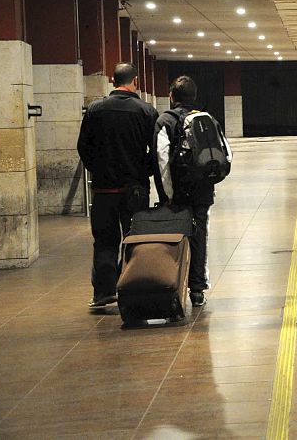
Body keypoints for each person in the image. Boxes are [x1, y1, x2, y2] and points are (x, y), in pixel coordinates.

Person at [77, 62, 158, 309]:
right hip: (135, 189)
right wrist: (144, 171)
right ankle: (131, 289)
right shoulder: (146, 111)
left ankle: (104, 292)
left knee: (104, 240)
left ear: (113, 81)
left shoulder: (95, 110)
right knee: (134, 239)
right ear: (135, 82)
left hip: (104, 190)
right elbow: (156, 151)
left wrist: (98, 169)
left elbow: (83, 147)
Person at [153, 75, 223, 307]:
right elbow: (225, 154)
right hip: (203, 191)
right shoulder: (207, 119)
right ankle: (197, 289)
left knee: (174, 238)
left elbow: (162, 160)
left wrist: (167, 195)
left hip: (178, 193)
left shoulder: (165, 120)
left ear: (172, 96)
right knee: (199, 236)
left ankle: (172, 286)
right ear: (194, 96)